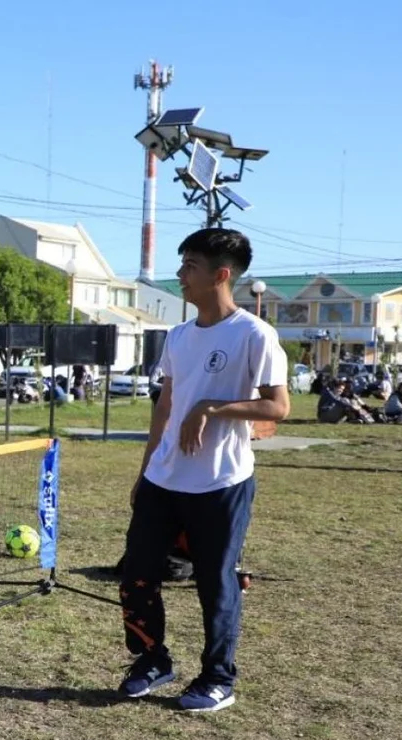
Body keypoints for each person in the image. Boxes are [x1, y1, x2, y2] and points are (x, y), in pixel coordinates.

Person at [117, 228, 290, 713]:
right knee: (136, 574)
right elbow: (165, 407)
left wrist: (213, 407)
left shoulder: (254, 334)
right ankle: (152, 660)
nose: (180, 276)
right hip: (163, 480)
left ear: (221, 274)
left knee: (215, 582)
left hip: (221, 482)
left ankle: (217, 679)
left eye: (189, 266)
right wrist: (146, 469)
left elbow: (277, 407)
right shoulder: (178, 336)